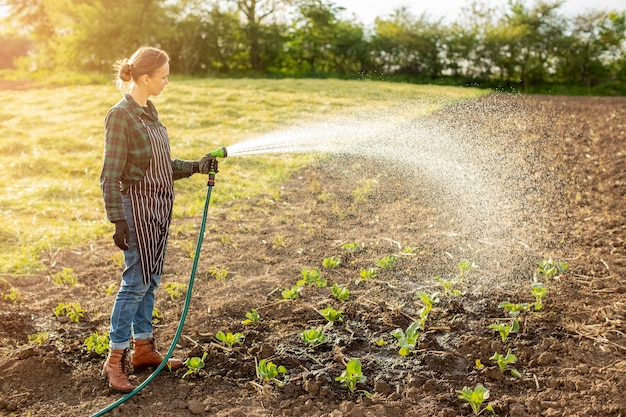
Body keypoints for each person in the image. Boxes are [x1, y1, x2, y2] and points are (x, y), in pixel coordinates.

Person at [99, 46, 215, 392]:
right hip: (135, 209)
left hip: (158, 208)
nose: (168, 80)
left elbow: (159, 164)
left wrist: (195, 166)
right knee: (135, 282)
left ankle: (143, 349)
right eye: (163, 76)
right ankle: (114, 359)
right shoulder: (120, 115)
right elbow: (109, 175)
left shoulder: (149, 111)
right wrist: (117, 220)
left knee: (149, 279)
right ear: (145, 78)